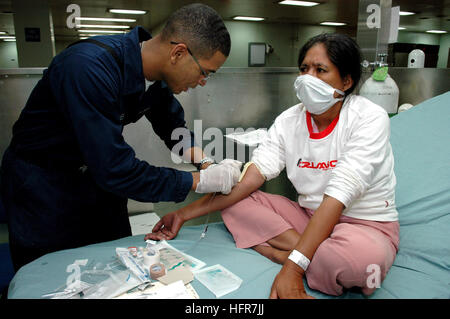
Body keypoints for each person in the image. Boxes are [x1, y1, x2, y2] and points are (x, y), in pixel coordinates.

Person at [146, 33, 400, 299]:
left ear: (346, 81)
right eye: (304, 69)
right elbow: (248, 181)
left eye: (320, 70)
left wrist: (292, 268)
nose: (307, 78)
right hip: (308, 216)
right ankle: (314, 250)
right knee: (236, 199)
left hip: (364, 225)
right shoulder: (289, 120)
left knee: (357, 265)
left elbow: (339, 195)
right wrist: (184, 215)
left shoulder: (369, 118)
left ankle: (283, 251)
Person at [0, 3, 242, 272]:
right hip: (43, 184)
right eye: (204, 72)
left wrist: (206, 164)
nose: (202, 82)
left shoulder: (157, 76)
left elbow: (174, 130)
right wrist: (200, 181)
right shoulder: (88, 68)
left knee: (118, 263)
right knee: (51, 274)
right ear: (178, 53)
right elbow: (116, 168)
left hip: (93, 178)